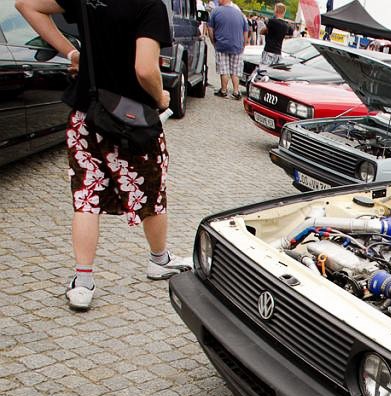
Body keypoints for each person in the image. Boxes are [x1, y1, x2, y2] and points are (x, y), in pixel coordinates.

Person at [15, 0, 192, 312]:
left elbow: (26, 5)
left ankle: (83, 282)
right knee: (152, 191)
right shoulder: (149, 5)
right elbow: (145, 69)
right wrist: (161, 97)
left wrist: (71, 53)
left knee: (86, 196)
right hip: (132, 120)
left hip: (87, 113)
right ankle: (159, 259)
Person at [207, 0, 248, 99]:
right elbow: (245, 31)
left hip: (221, 44)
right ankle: (236, 92)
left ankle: (224, 90)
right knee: (235, 70)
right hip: (237, 46)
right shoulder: (240, 14)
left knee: (224, 69)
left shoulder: (215, 11)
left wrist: (213, 42)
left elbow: (210, 29)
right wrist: (243, 44)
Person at [260, 3, 289, 68]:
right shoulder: (286, 25)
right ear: (284, 12)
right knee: (273, 71)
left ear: (276, 11)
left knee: (263, 70)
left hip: (269, 51)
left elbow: (262, 32)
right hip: (278, 53)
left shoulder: (272, 21)